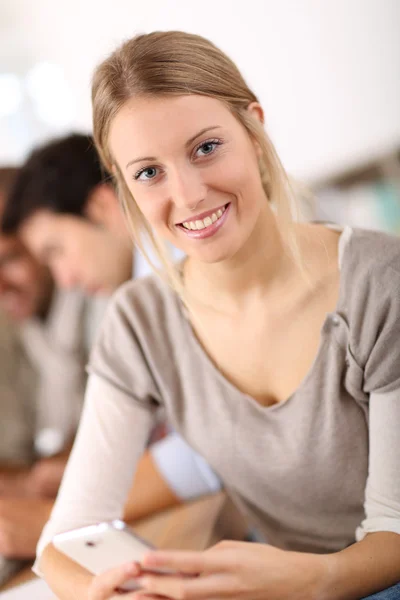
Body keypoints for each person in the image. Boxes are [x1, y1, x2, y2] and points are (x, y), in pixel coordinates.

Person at [31, 31, 399, 600]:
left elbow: (394, 530)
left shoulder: (382, 282)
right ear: (121, 182)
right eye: (148, 173)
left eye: (206, 148)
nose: (190, 193)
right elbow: (62, 541)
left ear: (253, 130)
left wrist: (311, 580)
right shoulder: (140, 319)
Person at [0, 142, 221, 558]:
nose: (64, 279)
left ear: (101, 207)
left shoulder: (176, 277)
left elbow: (211, 449)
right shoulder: (143, 294)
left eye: (56, 251)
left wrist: (56, 522)